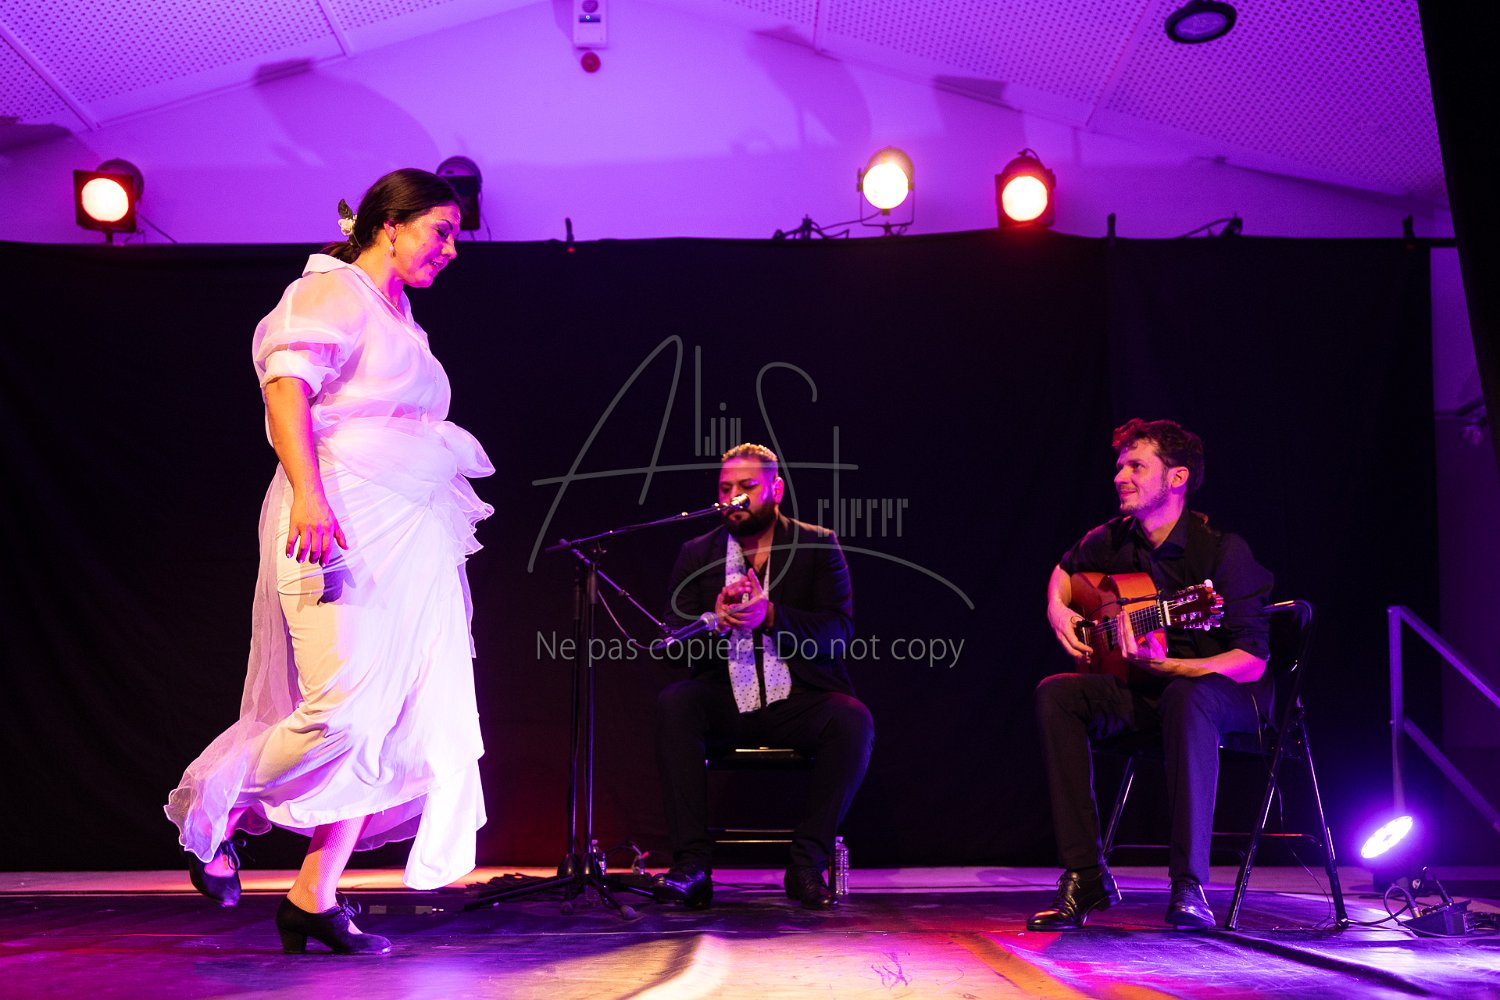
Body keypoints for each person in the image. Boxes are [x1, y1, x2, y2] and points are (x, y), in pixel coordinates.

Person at [164, 169, 494, 955]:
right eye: (441, 231)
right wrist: (311, 497)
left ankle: (313, 895)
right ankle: (216, 802)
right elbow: (286, 393)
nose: (452, 249)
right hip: (338, 519)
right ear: (390, 223)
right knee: (341, 710)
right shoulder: (330, 292)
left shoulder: (399, 314)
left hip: (408, 531)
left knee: (391, 712)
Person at [1029, 418, 1273, 931]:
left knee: (1187, 696)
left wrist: (1176, 666)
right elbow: (1064, 572)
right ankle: (1085, 874)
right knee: (1057, 694)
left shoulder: (1222, 551)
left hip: (1226, 696)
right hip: (1148, 690)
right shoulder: (1115, 538)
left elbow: (1252, 661)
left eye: (1136, 466)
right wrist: (1059, 610)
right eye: (1120, 466)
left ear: (1177, 477)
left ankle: (1189, 885)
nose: (1120, 476)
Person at [652, 444, 874, 910]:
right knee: (676, 702)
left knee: (852, 720)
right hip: (725, 698)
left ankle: (806, 864)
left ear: (776, 489)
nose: (733, 498)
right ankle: (692, 866)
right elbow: (672, 643)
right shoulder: (697, 553)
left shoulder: (817, 544)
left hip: (798, 698)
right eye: (725, 488)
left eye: (747, 487)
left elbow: (838, 632)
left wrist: (770, 616)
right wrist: (712, 622)